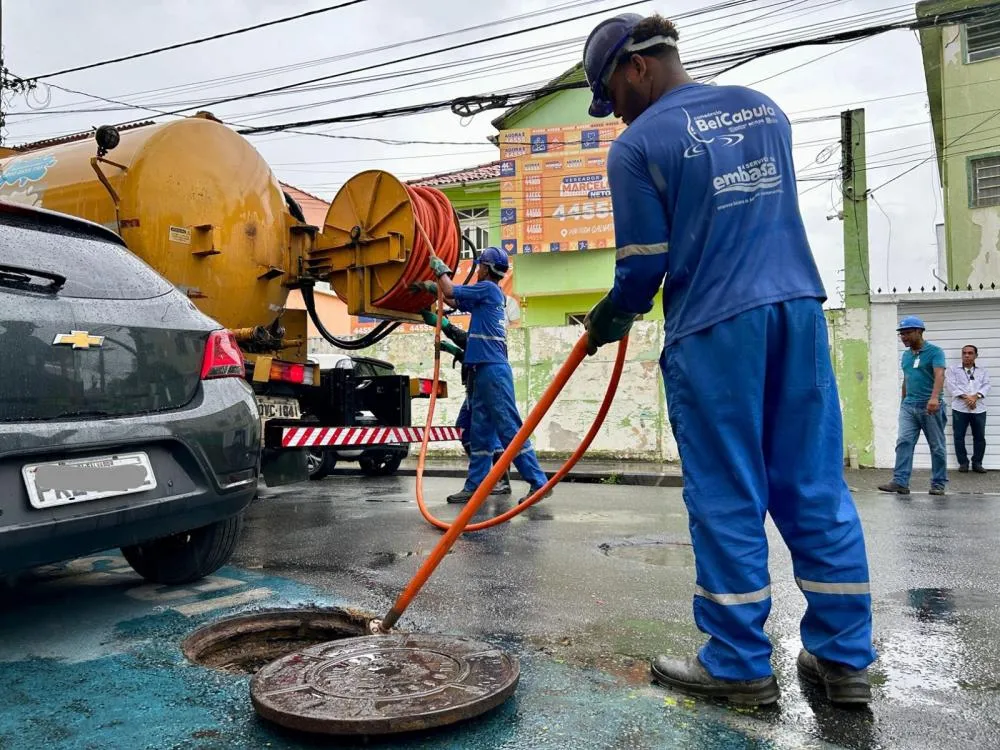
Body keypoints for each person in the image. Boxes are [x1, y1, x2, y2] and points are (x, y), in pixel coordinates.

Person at [580, 12, 875, 706]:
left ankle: (740, 664)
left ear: (637, 67)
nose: (615, 114)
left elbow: (642, 271)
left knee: (727, 494)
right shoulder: (766, 111)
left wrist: (606, 320)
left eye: (610, 95)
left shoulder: (637, 147)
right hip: (797, 311)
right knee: (815, 489)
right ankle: (844, 662)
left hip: (714, 329)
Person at [421, 246, 550, 505]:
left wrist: (440, 269)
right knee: (480, 432)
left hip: (493, 370)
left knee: (509, 429)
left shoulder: (489, 289)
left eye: (479, 265)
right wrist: (430, 289)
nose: (476, 269)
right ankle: (475, 486)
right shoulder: (487, 296)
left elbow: (450, 290)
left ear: (487, 268)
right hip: (482, 370)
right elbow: (454, 301)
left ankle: (538, 482)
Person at [417, 306, 512, 495]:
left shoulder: (491, 329)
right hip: (473, 390)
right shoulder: (485, 327)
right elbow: (470, 355)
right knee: (465, 429)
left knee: (492, 439)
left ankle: (501, 481)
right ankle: (486, 477)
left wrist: (444, 325)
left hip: (485, 390)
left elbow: (468, 342)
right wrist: (455, 352)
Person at [878, 317, 948, 496]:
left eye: (908, 333)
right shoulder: (906, 355)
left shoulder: (935, 352)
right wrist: (903, 401)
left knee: (937, 446)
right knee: (904, 442)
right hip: (909, 405)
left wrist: (934, 399)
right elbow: (907, 379)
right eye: (902, 334)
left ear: (919, 331)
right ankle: (900, 482)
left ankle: (938, 483)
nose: (904, 337)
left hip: (930, 405)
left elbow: (939, 376)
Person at [945, 343, 990, 474]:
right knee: (959, 436)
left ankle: (977, 463)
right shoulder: (953, 369)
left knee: (980, 437)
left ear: (976, 355)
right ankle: (963, 463)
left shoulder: (983, 370)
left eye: (970, 353)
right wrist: (967, 398)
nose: (966, 355)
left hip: (979, 408)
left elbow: (986, 385)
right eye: (964, 353)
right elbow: (951, 386)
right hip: (959, 408)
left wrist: (975, 397)